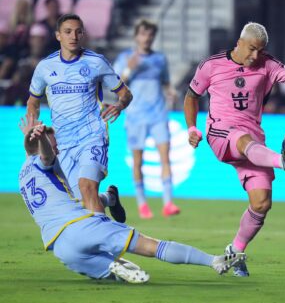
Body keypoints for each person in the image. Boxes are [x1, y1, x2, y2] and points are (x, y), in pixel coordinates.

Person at [19, 121, 246, 283]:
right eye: (54, 144)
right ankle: (213, 261)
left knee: (118, 274)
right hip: (82, 226)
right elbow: (46, 155)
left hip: (61, 248)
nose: (57, 148)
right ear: (39, 147)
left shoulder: (23, 174)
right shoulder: (44, 159)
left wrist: (30, 135)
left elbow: (36, 153)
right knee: (152, 246)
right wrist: (41, 140)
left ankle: (113, 264)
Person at [184, 22, 285, 277]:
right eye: (252, 49)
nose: (256, 56)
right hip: (221, 133)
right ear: (240, 42)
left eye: (260, 50)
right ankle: (283, 161)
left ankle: (235, 251)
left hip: (254, 142)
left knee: (262, 203)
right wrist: (192, 128)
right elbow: (191, 96)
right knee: (242, 139)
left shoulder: (267, 63)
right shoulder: (211, 65)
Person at [26, 14, 130, 222]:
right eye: (67, 31)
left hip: (92, 136)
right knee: (83, 199)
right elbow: (33, 101)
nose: (73, 36)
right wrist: (33, 124)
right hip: (63, 143)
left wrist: (119, 105)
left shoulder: (96, 62)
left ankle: (103, 243)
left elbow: (125, 94)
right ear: (58, 36)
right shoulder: (45, 67)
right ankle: (109, 198)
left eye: (78, 31)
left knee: (86, 186)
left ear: (83, 34)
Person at [113, 19, 180, 219]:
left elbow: (166, 83)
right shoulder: (125, 57)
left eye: (150, 34)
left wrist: (171, 91)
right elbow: (116, 85)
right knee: (138, 161)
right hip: (135, 116)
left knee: (165, 158)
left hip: (158, 114)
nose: (147, 37)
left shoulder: (160, 59)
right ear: (136, 36)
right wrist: (128, 70)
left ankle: (168, 203)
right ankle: (142, 205)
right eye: (143, 33)